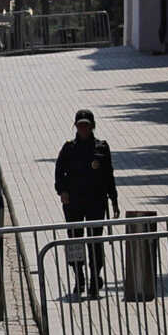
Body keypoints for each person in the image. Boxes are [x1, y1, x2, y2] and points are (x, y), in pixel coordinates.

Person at [54, 108, 119, 297]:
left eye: (86, 126)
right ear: (75, 126)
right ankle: (79, 276)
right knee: (75, 240)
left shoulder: (101, 147)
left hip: (95, 201)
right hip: (73, 201)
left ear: (92, 127)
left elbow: (109, 175)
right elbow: (59, 172)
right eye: (80, 125)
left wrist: (114, 200)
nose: (83, 129)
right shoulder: (69, 148)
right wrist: (62, 191)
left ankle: (94, 278)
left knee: (95, 241)